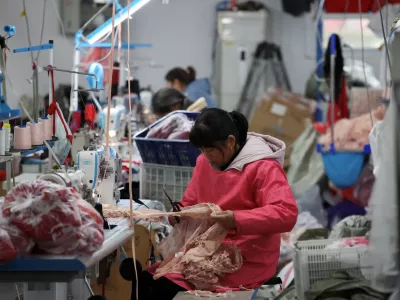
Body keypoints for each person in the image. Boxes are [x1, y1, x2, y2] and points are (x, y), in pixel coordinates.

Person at [126, 108, 298, 300]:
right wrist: (179, 214)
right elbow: (191, 200)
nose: (206, 155)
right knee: (144, 282)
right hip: (207, 249)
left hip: (245, 257)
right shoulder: (204, 162)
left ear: (231, 141)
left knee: (161, 289)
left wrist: (235, 219)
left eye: (210, 150)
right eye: (201, 150)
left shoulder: (263, 166)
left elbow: (286, 213)